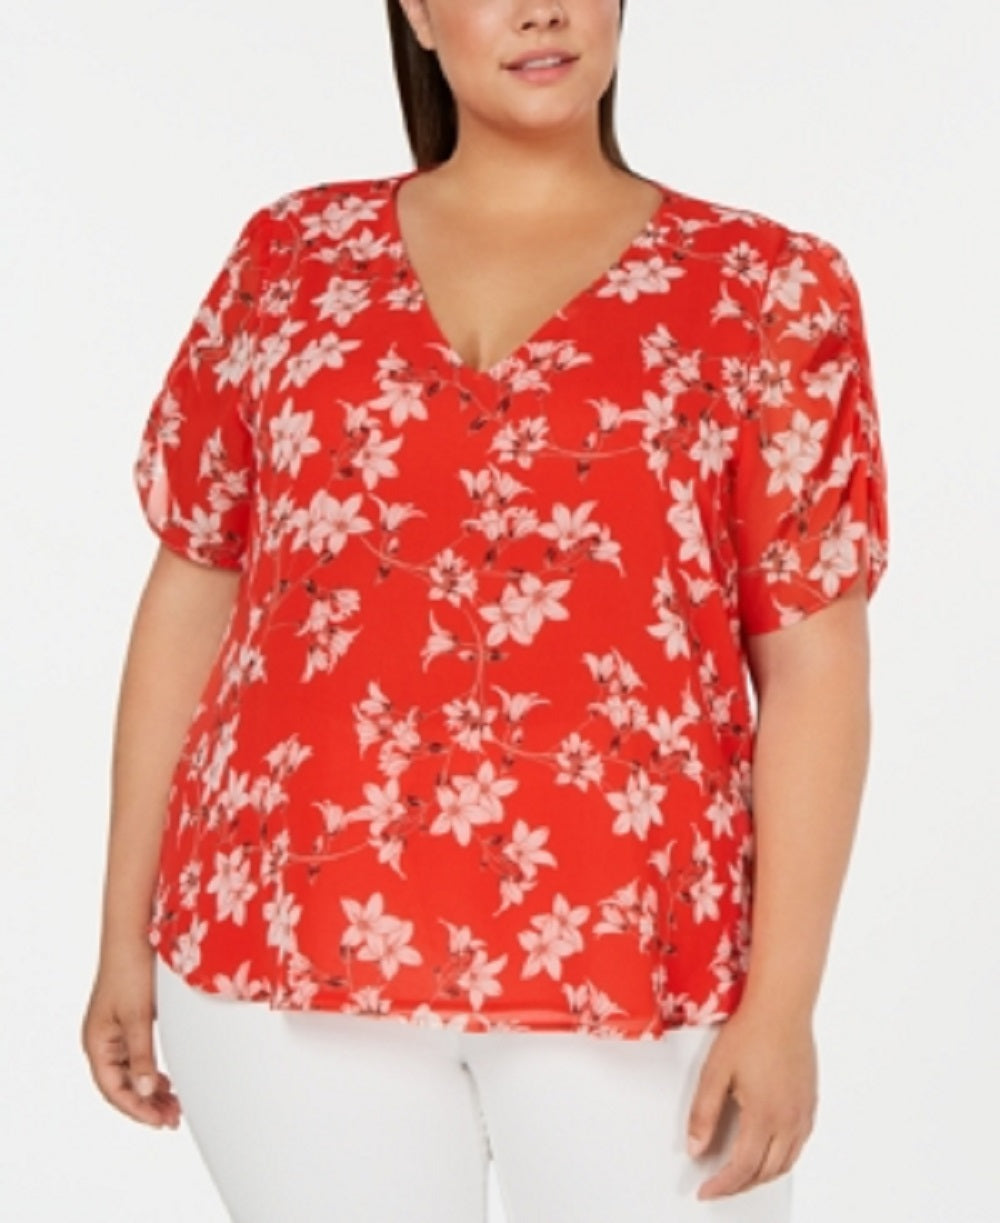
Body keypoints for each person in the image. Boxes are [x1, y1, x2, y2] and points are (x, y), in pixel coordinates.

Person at [80, 1, 890, 1219]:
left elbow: (816, 663)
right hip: (280, 936)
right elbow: (196, 583)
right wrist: (121, 933)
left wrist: (782, 1004)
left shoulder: (764, 288)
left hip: (640, 952)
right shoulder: (291, 258)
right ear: (414, 9)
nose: (540, 8)